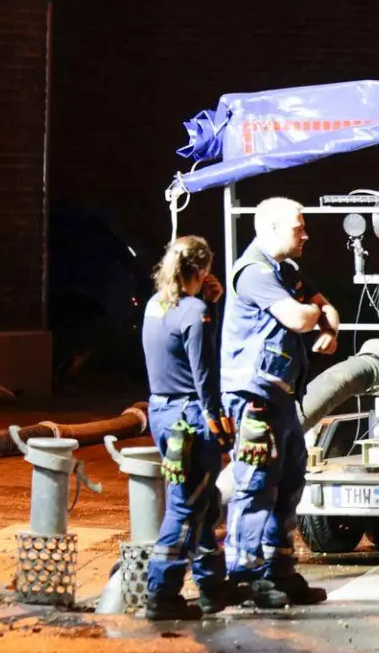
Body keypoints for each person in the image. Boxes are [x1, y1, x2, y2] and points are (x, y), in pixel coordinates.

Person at [222, 197, 338, 608]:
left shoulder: (284, 271)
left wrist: (326, 322)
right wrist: (315, 316)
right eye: (297, 227)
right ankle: (245, 575)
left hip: (282, 396)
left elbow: (328, 310)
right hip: (256, 396)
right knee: (256, 485)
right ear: (270, 228)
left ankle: (280, 570)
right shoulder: (254, 273)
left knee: (289, 481)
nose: (305, 234)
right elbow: (300, 318)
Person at [140, 235, 241, 620]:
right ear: (201, 271)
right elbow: (203, 373)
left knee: (200, 501)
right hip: (191, 418)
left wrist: (206, 306)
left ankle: (212, 585)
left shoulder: (155, 305)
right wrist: (218, 422)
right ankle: (161, 591)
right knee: (185, 506)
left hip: (161, 413)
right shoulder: (195, 311)